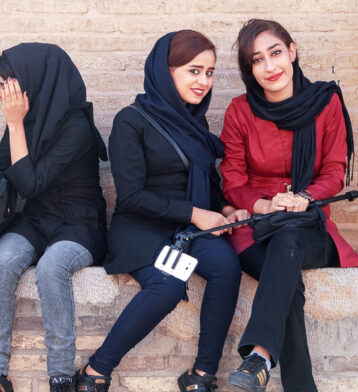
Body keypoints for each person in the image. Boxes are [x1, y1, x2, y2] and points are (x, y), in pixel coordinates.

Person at [74, 31, 247, 392]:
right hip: (140, 227)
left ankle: (201, 375)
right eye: (194, 71)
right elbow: (133, 195)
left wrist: (226, 210)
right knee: (167, 285)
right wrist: (198, 214)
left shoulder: (194, 124)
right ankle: (96, 370)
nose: (203, 82)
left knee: (226, 264)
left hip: (186, 228)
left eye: (210, 73)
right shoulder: (131, 121)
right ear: (165, 71)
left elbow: (209, 184)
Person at [220, 19, 358, 392]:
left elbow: (334, 169)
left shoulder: (325, 102)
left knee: (289, 242)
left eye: (276, 53)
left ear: (292, 51)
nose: (270, 66)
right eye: (257, 60)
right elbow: (232, 178)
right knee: (287, 285)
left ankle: (259, 356)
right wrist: (265, 204)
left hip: (308, 223)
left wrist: (305, 198)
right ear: (249, 70)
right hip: (256, 228)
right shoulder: (239, 112)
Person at [0, 43, 109, 392]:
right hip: (35, 221)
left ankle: (62, 376)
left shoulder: (76, 127)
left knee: (52, 267)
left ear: (31, 85)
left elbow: (31, 184)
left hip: (77, 224)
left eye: (4, 85)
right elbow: (1, 172)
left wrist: (15, 124)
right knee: (3, 259)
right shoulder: (24, 121)